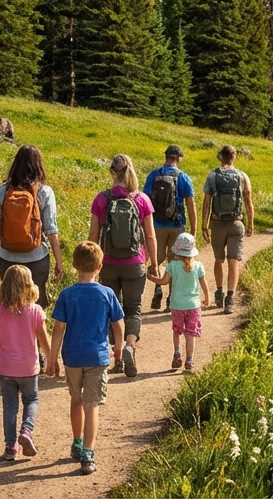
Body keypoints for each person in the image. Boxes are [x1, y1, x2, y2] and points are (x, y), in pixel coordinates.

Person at [47, 241, 125, 476]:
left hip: (72, 357)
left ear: (74, 265)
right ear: (100, 266)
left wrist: (51, 359)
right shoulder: (107, 293)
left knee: (76, 400)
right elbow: (118, 324)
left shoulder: (67, 295)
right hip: (97, 356)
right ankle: (88, 453)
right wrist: (119, 348)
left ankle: (77, 442)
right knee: (92, 405)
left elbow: (58, 329)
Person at [0, 264, 50, 461]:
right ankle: (26, 431)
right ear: (29, 285)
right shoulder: (35, 311)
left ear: (4, 286)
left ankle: (10, 447)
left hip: (6, 369)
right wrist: (51, 360)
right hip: (28, 368)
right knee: (32, 400)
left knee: (10, 406)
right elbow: (43, 338)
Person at [88, 154, 157, 377]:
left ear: (111, 172)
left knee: (112, 310)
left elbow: (93, 236)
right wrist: (154, 263)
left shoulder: (101, 199)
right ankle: (129, 346)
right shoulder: (142, 199)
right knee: (133, 309)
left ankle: (117, 357)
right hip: (135, 263)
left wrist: (91, 266)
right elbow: (150, 236)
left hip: (107, 263)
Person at [0, 144, 62, 308]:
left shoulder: (3, 191)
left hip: (7, 258)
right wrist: (59, 262)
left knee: (9, 306)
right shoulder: (45, 192)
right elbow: (51, 231)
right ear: (39, 165)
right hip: (36, 258)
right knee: (36, 306)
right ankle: (36, 335)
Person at [145, 233, 209, 372]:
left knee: (177, 330)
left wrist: (151, 278)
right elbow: (204, 284)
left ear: (177, 250)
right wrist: (207, 298)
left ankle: (177, 353)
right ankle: (190, 360)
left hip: (176, 305)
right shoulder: (198, 266)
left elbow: (164, 281)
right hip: (193, 305)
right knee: (190, 333)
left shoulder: (173, 265)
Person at [202, 145, 254, 314]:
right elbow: (248, 201)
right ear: (234, 157)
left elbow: (207, 201)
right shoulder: (242, 176)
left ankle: (219, 291)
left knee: (218, 259)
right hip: (236, 223)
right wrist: (251, 222)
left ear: (220, 157)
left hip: (217, 223)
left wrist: (204, 224)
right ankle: (230, 298)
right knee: (234, 262)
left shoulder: (213, 175)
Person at [145, 145, 197, 312]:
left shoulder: (153, 175)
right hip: (177, 225)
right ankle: (170, 299)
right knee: (175, 262)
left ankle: (157, 289)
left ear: (166, 156)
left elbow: (145, 201)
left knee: (156, 260)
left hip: (156, 226)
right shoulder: (183, 177)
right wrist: (193, 229)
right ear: (179, 158)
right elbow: (190, 203)